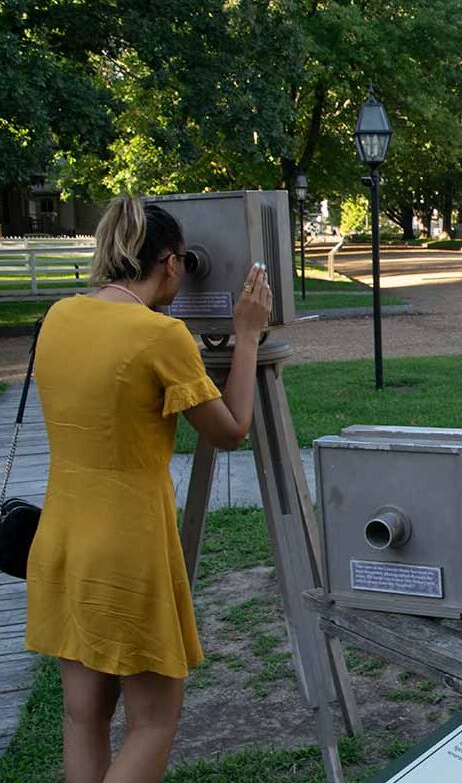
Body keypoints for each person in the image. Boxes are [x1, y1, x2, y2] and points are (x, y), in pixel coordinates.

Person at [25, 195, 273, 783]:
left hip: (61, 541)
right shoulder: (160, 335)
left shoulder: (58, 317)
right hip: (128, 550)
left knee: (83, 718)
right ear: (169, 262)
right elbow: (232, 430)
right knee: (153, 722)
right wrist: (247, 335)